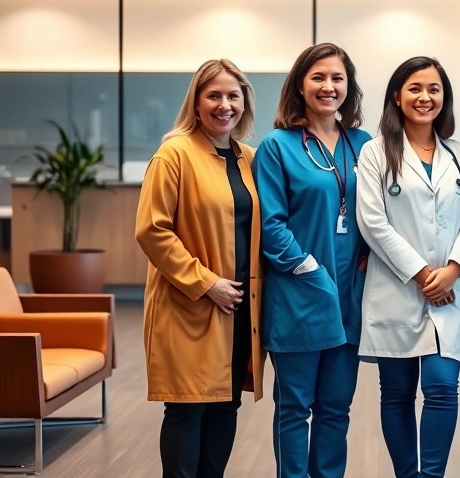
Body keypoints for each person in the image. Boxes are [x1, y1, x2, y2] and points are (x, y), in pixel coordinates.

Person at [356, 56, 460, 478]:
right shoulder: (375, 153)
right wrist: (421, 274)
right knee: (396, 394)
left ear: (444, 97)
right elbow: (373, 222)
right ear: (397, 95)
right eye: (414, 88)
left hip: (449, 290)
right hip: (397, 290)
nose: (424, 97)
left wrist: (451, 271)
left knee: (443, 387)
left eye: (434, 89)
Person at [135, 59, 263, 478]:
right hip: (190, 303)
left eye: (232, 95)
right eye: (214, 95)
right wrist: (206, 283)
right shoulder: (174, 153)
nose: (224, 104)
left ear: (244, 102)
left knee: (226, 403)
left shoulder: (249, 158)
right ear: (196, 101)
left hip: (240, 307)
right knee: (189, 406)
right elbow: (152, 231)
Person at [252, 43, 371, 478]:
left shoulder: (364, 145)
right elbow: (271, 222)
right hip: (300, 295)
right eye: (318, 77)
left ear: (348, 87)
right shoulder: (277, 146)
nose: (328, 87)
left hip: (351, 295)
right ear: (300, 85)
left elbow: (379, 214)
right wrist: (309, 268)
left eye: (337, 78)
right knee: (294, 408)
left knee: (336, 409)